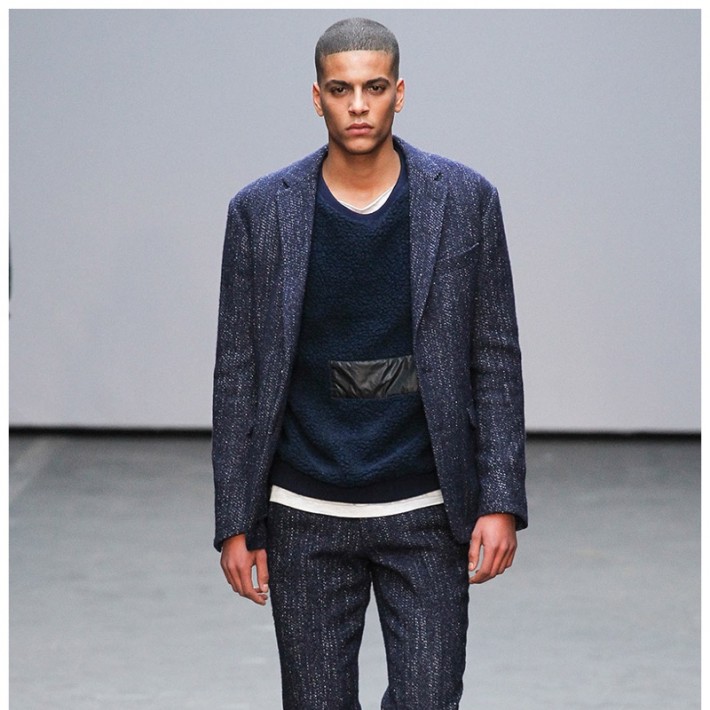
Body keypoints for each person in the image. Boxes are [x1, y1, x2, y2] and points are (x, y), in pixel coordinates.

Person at [213, 17, 527, 709]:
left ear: (400, 93)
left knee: (429, 699)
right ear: (317, 98)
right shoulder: (260, 212)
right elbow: (238, 372)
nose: (358, 105)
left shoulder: (464, 200)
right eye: (341, 89)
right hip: (303, 512)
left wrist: (500, 500)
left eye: (374, 87)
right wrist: (236, 520)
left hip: (428, 507)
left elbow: (495, 356)